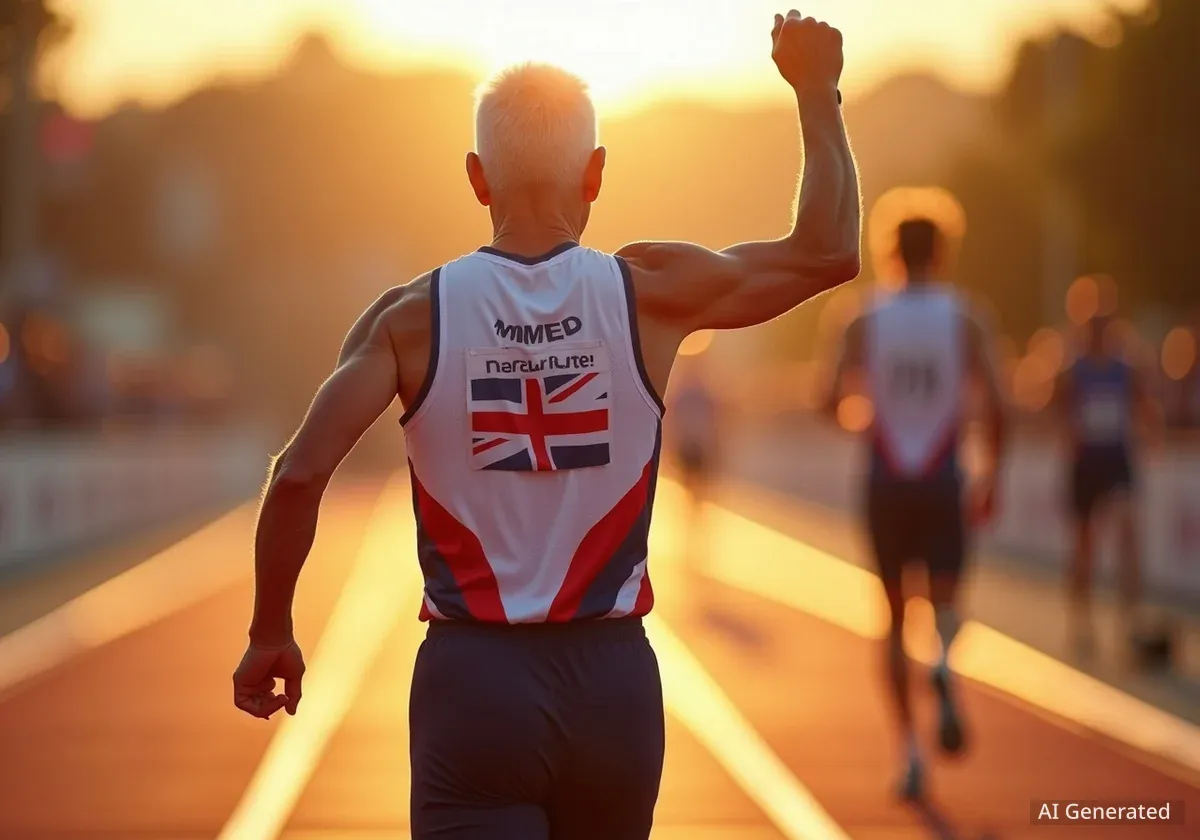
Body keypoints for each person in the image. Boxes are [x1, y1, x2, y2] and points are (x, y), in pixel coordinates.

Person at [232, 11, 860, 840]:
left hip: (473, 682)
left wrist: (271, 629)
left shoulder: (409, 318)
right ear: (595, 174)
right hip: (612, 684)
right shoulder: (652, 292)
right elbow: (828, 253)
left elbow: (301, 474)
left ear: (475, 177)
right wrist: (817, 92)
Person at [820, 216, 1008, 801]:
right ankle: (945, 663)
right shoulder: (967, 317)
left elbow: (827, 398)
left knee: (895, 619)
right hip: (942, 475)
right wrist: (992, 475)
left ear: (890, 251)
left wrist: (866, 416)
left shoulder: (863, 317)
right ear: (944, 252)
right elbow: (1001, 405)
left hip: (888, 478)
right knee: (947, 605)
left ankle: (909, 756)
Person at [1052, 310, 1162, 659]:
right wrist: (1067, 436)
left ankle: (1129, 622)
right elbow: (1055, 408)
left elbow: (1145, 405)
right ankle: (1081, 622)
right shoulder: (1074, 370)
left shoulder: (1124, 369)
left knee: (1128, 533)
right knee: (1085, 546)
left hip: (1116, 460)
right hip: (1087, 463)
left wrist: (1153, 431)